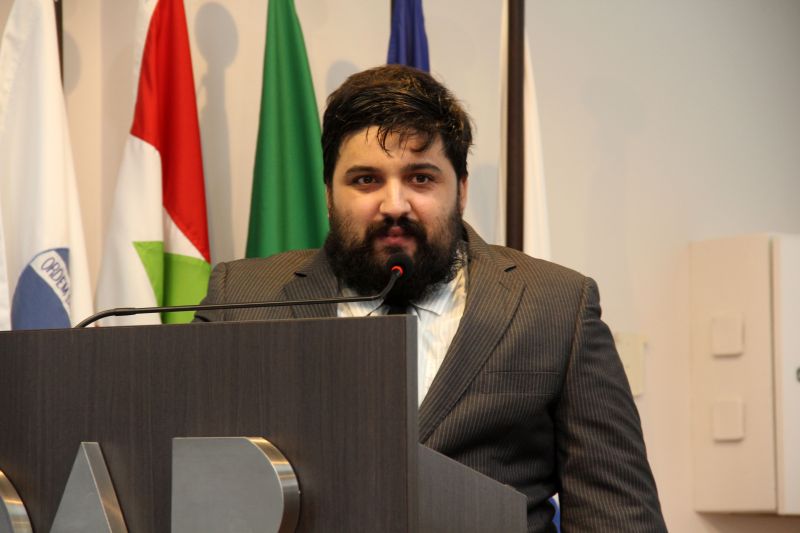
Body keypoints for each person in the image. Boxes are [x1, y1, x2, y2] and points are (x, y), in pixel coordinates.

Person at [195, 64, 667, 532]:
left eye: (420, 178)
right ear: (328, 195)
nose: (394, 205)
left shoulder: (556, 306)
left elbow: (619, 517)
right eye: (366, 180)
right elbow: (189, 484)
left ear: (461, 190)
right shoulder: (242, 298)